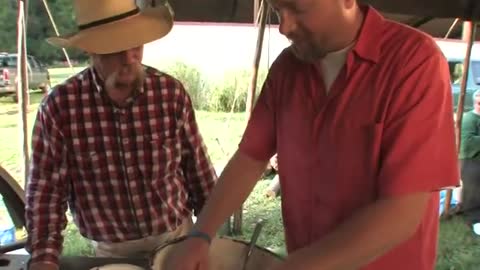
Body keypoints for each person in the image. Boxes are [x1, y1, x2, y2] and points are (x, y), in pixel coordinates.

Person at [165, 0, 460, 269]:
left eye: (297, 9)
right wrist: (200, 236)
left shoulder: (414, 61)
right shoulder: (286, 69)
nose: (284, 27)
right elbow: (250, 157)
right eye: (278, 11)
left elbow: (402, 212)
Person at [25, 1, 217, 269]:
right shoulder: (61, 108)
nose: (129, 58)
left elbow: (200, 176)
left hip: (177, 242)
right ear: (90, 50)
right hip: (111, 254)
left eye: (136, 44)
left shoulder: (169, 94)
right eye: (116, 49)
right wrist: (43, 260)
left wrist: (208, 238)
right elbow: (46, 195)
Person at [459, 90, 480, 226]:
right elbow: (468, 142)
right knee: (473, 192)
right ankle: (474, 221)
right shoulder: (469, 119)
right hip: (470, 161)